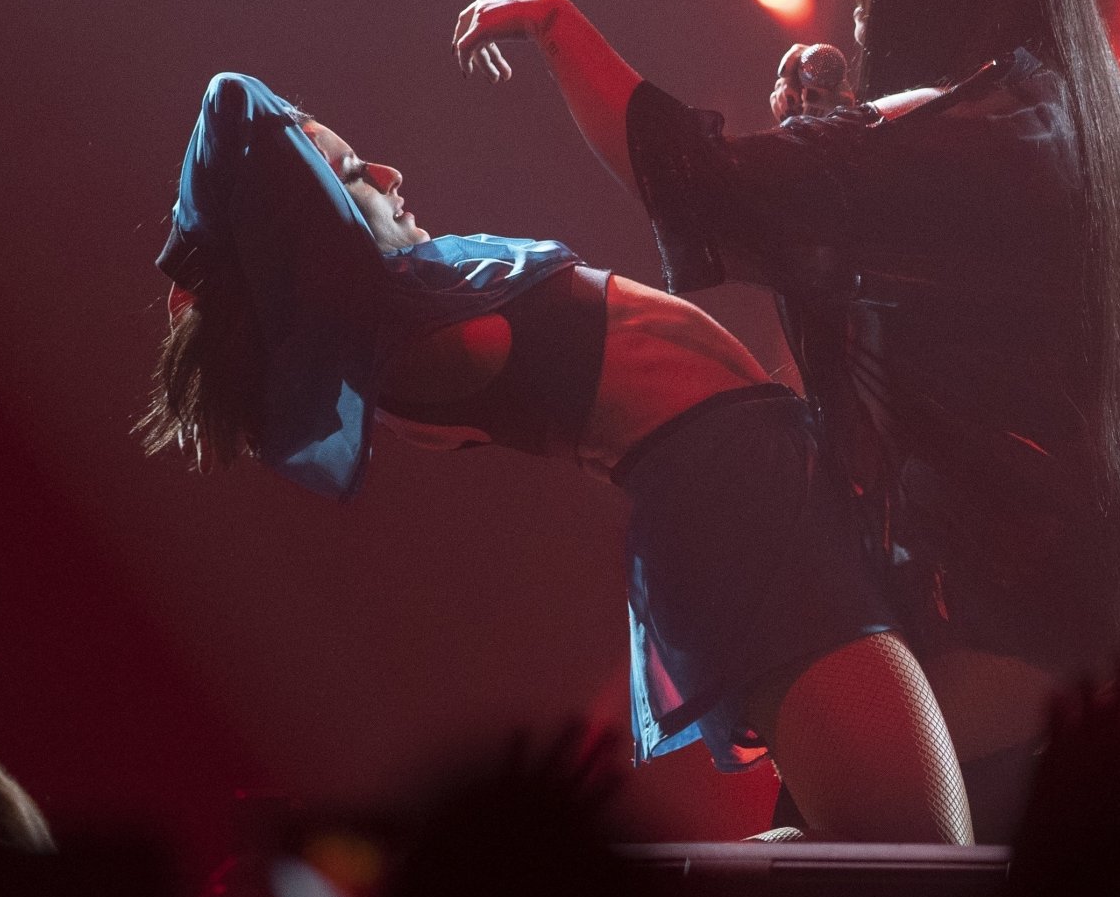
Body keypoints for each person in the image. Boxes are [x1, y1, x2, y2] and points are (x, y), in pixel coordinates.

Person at [451, 0, 1120, 839]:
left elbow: (699, 184)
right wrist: (833, 130)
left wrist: (559, 29)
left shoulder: (984, 136)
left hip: (993, 700)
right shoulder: (1057, 123)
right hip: (1040, 681)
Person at [142, 71, 971, 844]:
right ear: (312, 228)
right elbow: (238, 117)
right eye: (354, 174)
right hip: (741, 515)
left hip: (750, 495)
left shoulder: (419, 305)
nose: (391, 174)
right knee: (919, 854)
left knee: (897, 839)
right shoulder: (407, 339)